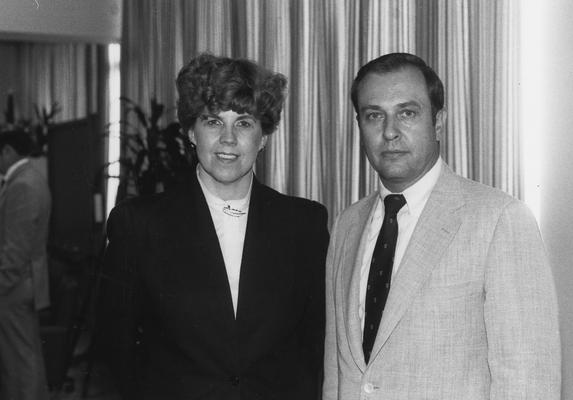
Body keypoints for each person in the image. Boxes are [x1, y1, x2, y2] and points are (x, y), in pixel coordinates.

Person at [323, 53, 561, 399]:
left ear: (438, 122)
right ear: (359, 126)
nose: (389, 132)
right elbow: (338, 375)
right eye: (374, 116)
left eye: (407, 113)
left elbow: (528, 382)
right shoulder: (347, 225)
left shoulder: (499, 220)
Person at [99, 53, 329, 400]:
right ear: (191, 131)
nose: (228, 139)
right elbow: (117, 353)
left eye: (244, 123)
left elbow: (314, 350)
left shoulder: (305, 224)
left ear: (264, 136)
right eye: (213, 121)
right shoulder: (138, 224)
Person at [0, 129, 51, 400]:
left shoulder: (22, 184)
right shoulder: (28, 179)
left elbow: (14, 252)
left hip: (14, 287)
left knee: (20, 362)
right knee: (22, 358)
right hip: (23, 283)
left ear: (8, 151)